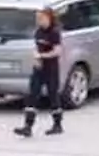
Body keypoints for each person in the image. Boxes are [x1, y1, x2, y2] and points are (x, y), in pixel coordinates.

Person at [14, 7, 64, 137]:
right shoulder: (38, 32)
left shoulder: (54, 32)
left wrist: (42, 56)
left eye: (41, 18)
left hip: (51, 68)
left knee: (53, 95)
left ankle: (57, 124)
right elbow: (36, 47)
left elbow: (57, 51)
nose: (39, 21)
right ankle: (27, 126)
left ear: (49, 18)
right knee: (32, 94)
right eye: (38, 19)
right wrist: (36, 56)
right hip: (38, 68)